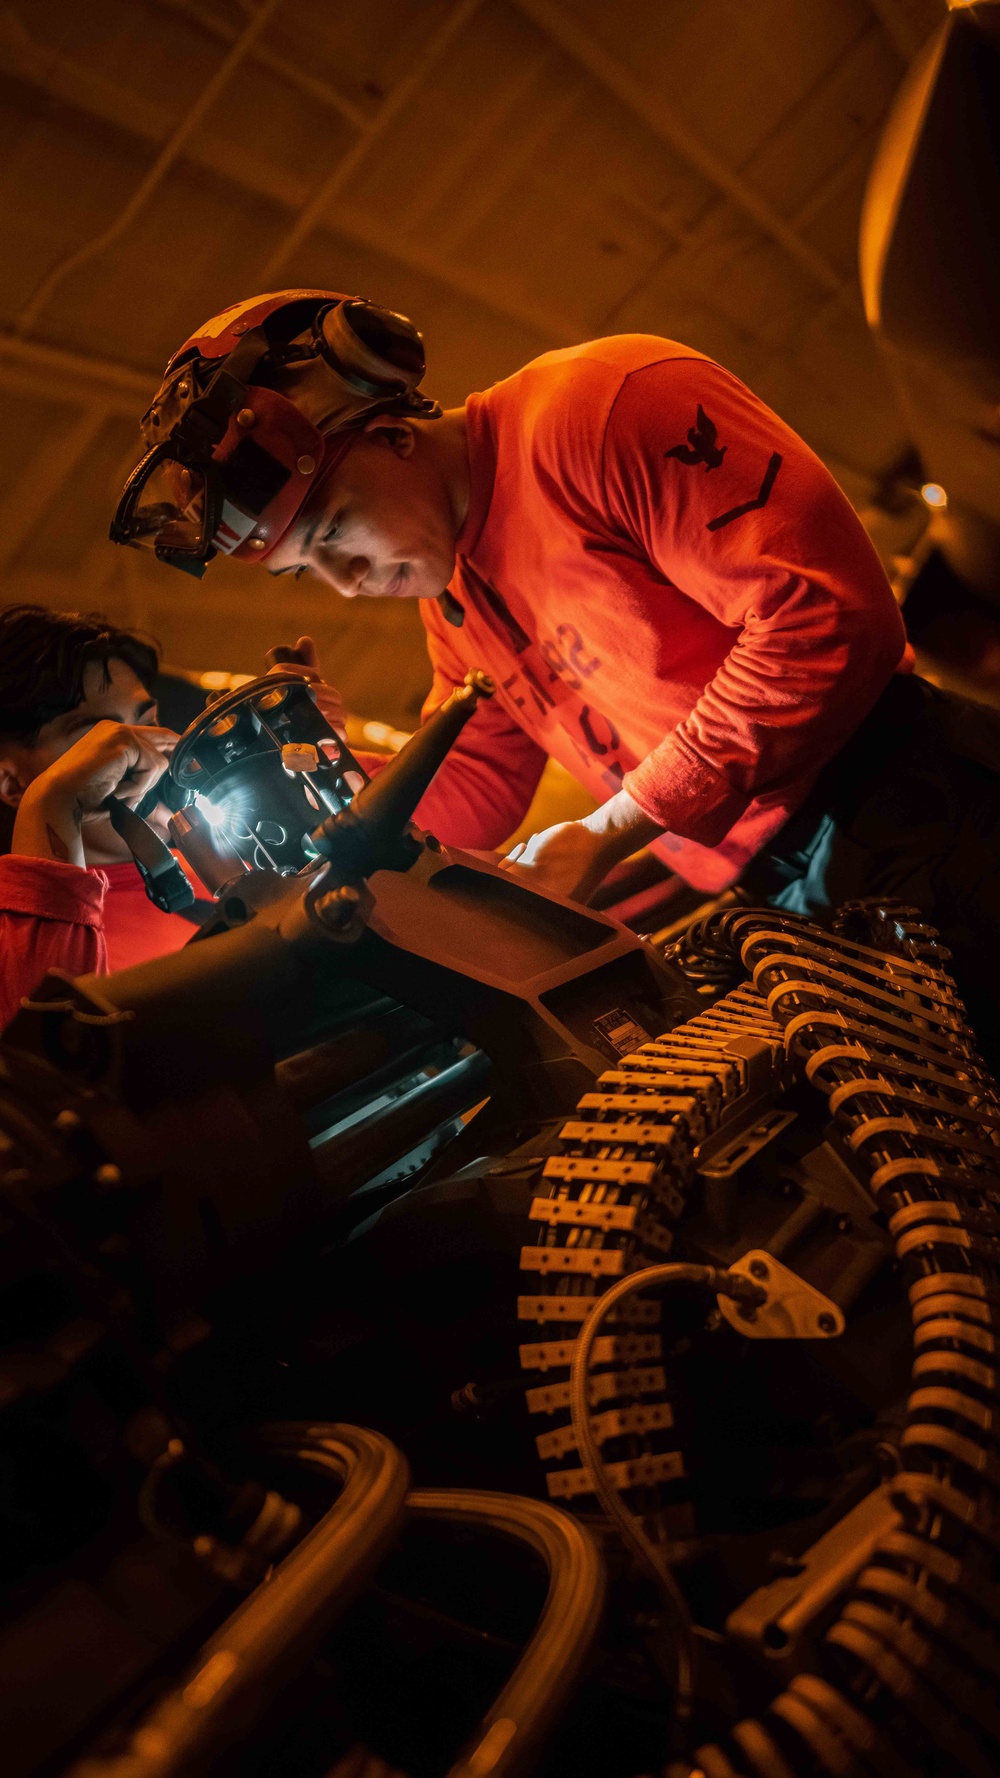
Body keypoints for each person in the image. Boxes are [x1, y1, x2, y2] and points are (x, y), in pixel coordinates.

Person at [110, 290, 1000, 1049]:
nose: (344, 587)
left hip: (914, 804)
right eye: (310, 570)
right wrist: (314, 776)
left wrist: (618, 824)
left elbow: (827, 617)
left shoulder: (600, 411)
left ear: (393, 435)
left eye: (334, 531)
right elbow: (479, 788)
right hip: (786, 884)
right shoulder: (456, 602)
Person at [0, 605, 342, 1030]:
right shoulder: (20, 943)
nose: (146, 755)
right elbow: (50, 1063)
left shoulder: (239, 835)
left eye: (148, 723)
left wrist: (318, 765)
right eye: (96, 741)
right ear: (11, 783)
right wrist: (53, 803)